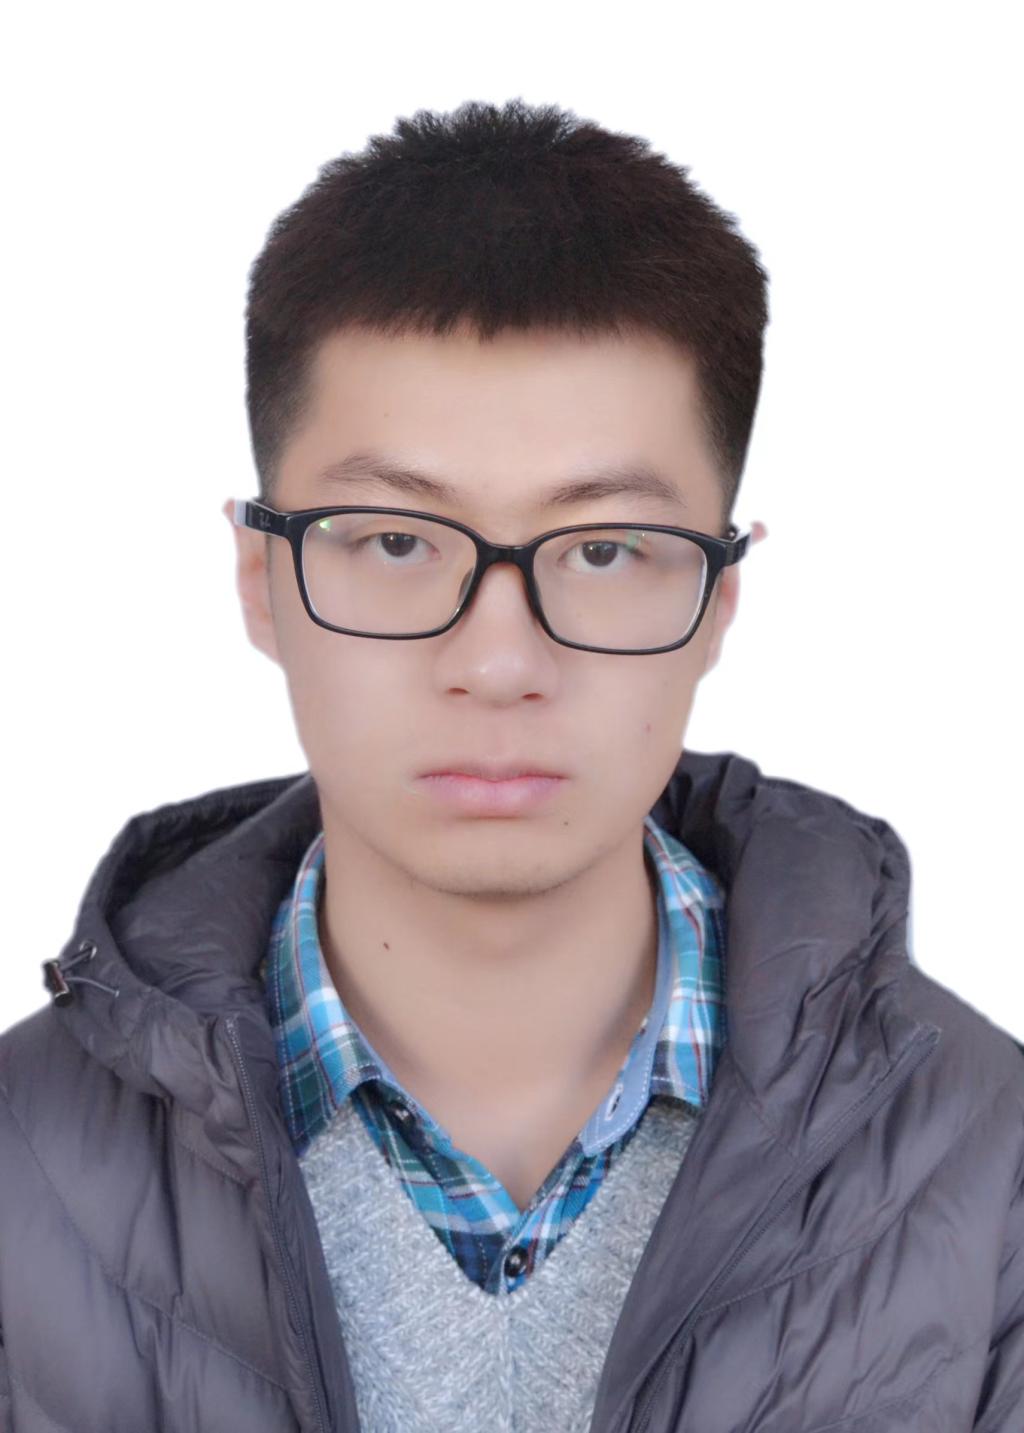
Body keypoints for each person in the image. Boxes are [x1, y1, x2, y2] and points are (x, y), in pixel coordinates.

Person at [1, 98, 1021, 1433]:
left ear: (717, 598)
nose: (497, 661)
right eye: (395, 541)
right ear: (261, 579)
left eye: (602, 550)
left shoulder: (991, 1168)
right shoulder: (20, 1164)